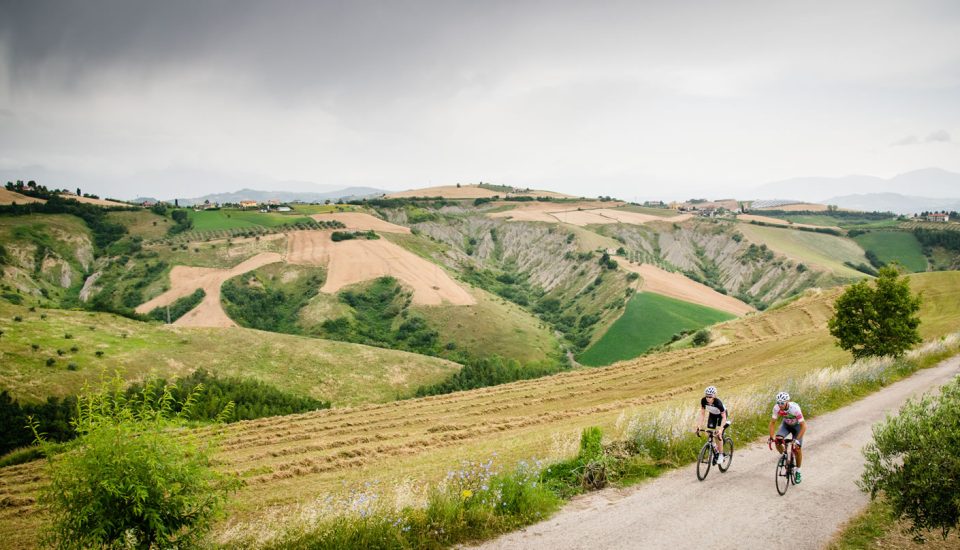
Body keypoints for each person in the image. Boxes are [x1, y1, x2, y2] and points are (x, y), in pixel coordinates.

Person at [768, 391, 807, 483]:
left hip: (797, 427)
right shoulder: (776, 408)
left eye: (782, 403)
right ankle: (784, 456)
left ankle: (798, 471)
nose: (780, 405)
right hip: (786, 425)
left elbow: (804, 426)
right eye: (778, 402)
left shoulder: (795, 409)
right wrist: (771, 437)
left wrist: (797, 440)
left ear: (787, 401)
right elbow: (772, 423)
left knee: (797, 449)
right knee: (778, 440)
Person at [695, 386, 729, 466]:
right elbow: (702, 414)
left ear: (714, 396)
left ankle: (721, 454)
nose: (708, 398)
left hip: (721, 416)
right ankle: (714, 449)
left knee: (718, 435)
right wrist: (699, 426)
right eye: (706, 396)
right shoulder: (703, 401)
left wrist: (721, 429)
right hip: (713, 415)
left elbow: (724, 417)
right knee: (709, 432)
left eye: (710, 396)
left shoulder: (718, 403)